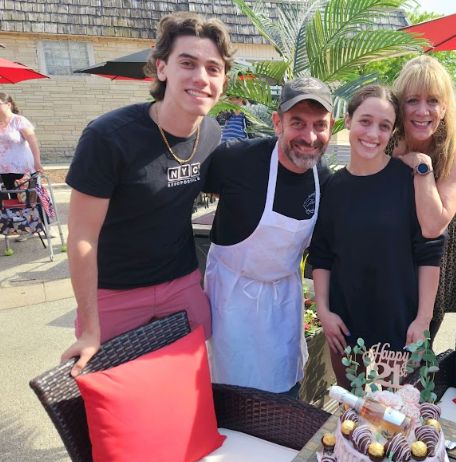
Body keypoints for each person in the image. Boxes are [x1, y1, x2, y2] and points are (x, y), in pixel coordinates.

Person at [60, 12, 234, 377]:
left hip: (182, 283)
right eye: (187, 63)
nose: (201, 78)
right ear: (161, 68)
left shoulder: (213, 133)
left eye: (213, 68)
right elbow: (81, 238)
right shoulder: (108, 137)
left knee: (190, 390)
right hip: (115, 292)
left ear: (223, 80)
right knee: (115, 400)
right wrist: (90, 326)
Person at [203, 76, 334, 397]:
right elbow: (182, 197)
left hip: (283, 301)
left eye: (320, 125)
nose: (310, 136)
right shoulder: (235, 160)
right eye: (298, 123)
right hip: (231, 299)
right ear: (278, 123)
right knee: (233, 394)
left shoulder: (323, 177)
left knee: (284, 388)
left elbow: (323, 250)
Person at [308, 84, 445, 388]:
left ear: (392, 132)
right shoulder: (332, 186)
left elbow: (430, 252)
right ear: (348, 120)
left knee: (393, 420)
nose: (372, 133)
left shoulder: (408, 181)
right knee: (352, 417)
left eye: (384, 126)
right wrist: (324, 312)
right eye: (365, 121)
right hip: (344, 331)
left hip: (398, 329)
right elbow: (322, 254)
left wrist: (423, 320)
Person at [390, 56, 456, 338]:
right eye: (412, 100)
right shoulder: (389, 140)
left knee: (415, 355)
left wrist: (419, 164)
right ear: (400, 105)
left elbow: (433, 225)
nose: (422, 110)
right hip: (392, 255)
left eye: (433, 101)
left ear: (445, 106)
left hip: (437, 261)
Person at [0, 92, 42, 206]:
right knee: (12, 203)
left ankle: (38, 223)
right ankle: (16, 224)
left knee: (28, 201)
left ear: (8, 104)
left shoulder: (18, 120)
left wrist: (37, 162)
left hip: (22, 169)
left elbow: (32, 140)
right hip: (4, 170)